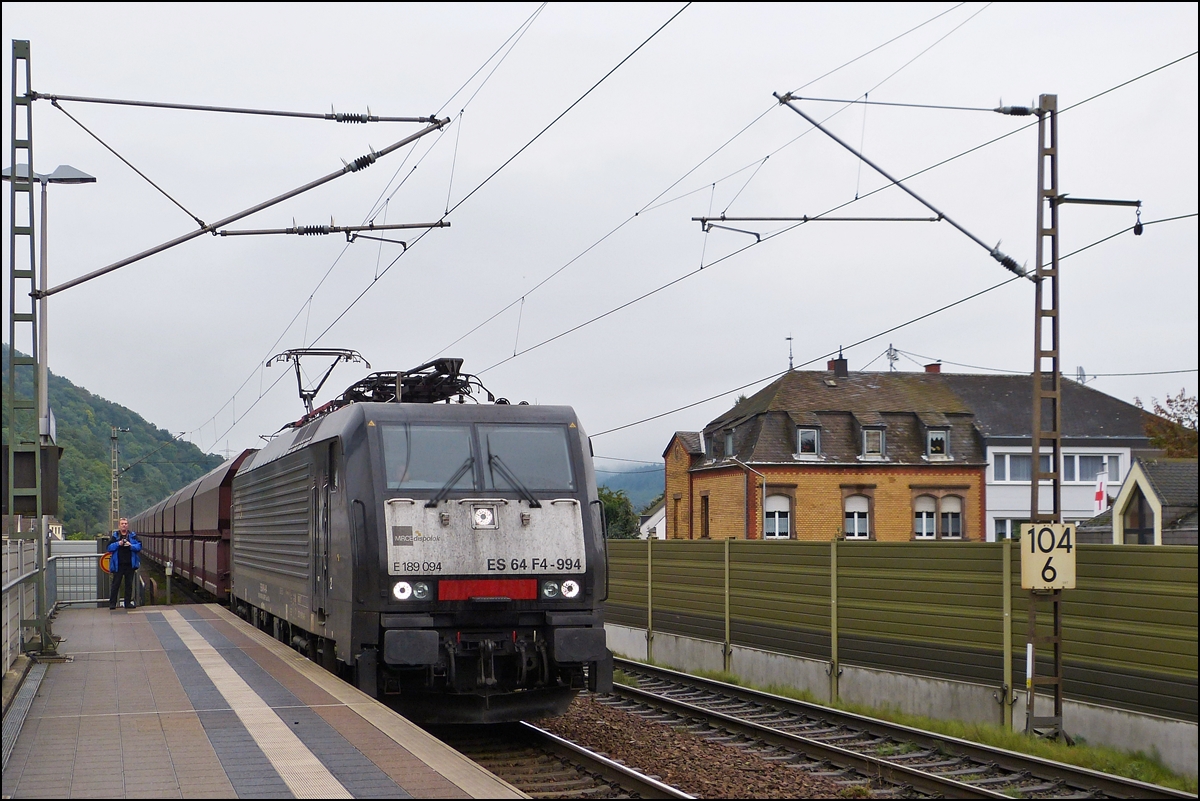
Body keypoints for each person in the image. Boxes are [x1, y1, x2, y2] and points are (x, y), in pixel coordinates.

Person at [107, 518, 142, 610]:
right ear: (119, 525)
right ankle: (112, 603)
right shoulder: (115, 536)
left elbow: (139, 546)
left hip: (130, 564)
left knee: (129, 584)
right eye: (122, 523)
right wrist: (119, 543)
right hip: (118, 564)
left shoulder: (133, 536)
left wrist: (131, 545)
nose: (124, 525)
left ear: (128, 525)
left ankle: (127, 603)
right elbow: (109, 547)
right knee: (116, 584)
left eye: (125, 523)